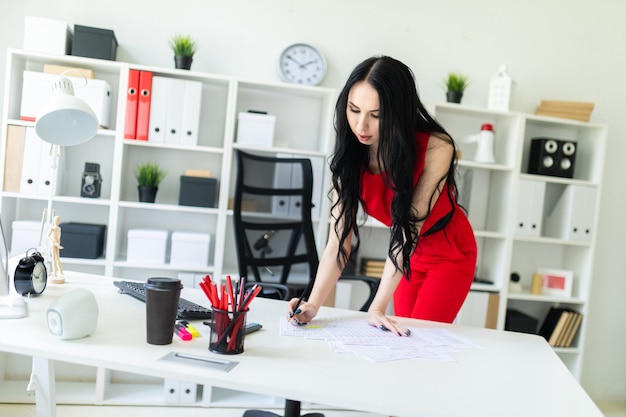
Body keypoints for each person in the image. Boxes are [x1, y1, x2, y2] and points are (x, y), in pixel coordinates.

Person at [288, 56, 477, 336]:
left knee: (421, 339)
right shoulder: (349, 160)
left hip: (448, 254)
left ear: (399, 112)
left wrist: (377, 307)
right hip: (406, 258)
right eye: (354, 110)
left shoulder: (437, 147)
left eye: (376, 115)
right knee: (400, 338)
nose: (361, 126)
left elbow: (408, 227)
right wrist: (313, 305)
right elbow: (338, 243)